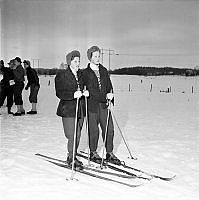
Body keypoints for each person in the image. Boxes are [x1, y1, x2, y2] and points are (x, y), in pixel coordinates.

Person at [82, 46, 121, 165]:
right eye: (95, 56)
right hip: (92, 106)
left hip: (104, 105)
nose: (98, 58)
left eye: (99, 56)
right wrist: (84, 93)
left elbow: (109, 85)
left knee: (109, 129)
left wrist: (111, 94)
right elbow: (84, 88)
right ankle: (93, 152)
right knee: (94, 131)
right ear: (90, 57)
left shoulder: (104, 70)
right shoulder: (85, 73)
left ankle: (109, 153)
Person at [55, 50, 88, 169]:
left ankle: (72, 156)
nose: (78, 63)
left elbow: (84, 86)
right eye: (75, 61)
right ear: (69, 62)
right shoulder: (62, 75)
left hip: (80, 109)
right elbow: (59, 93)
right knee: (73, 134)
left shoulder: (81, 74)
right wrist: (73, 94)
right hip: (68, 109)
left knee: (78, 135)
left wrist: (85, 92)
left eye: (79, 61)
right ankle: (70, 158)